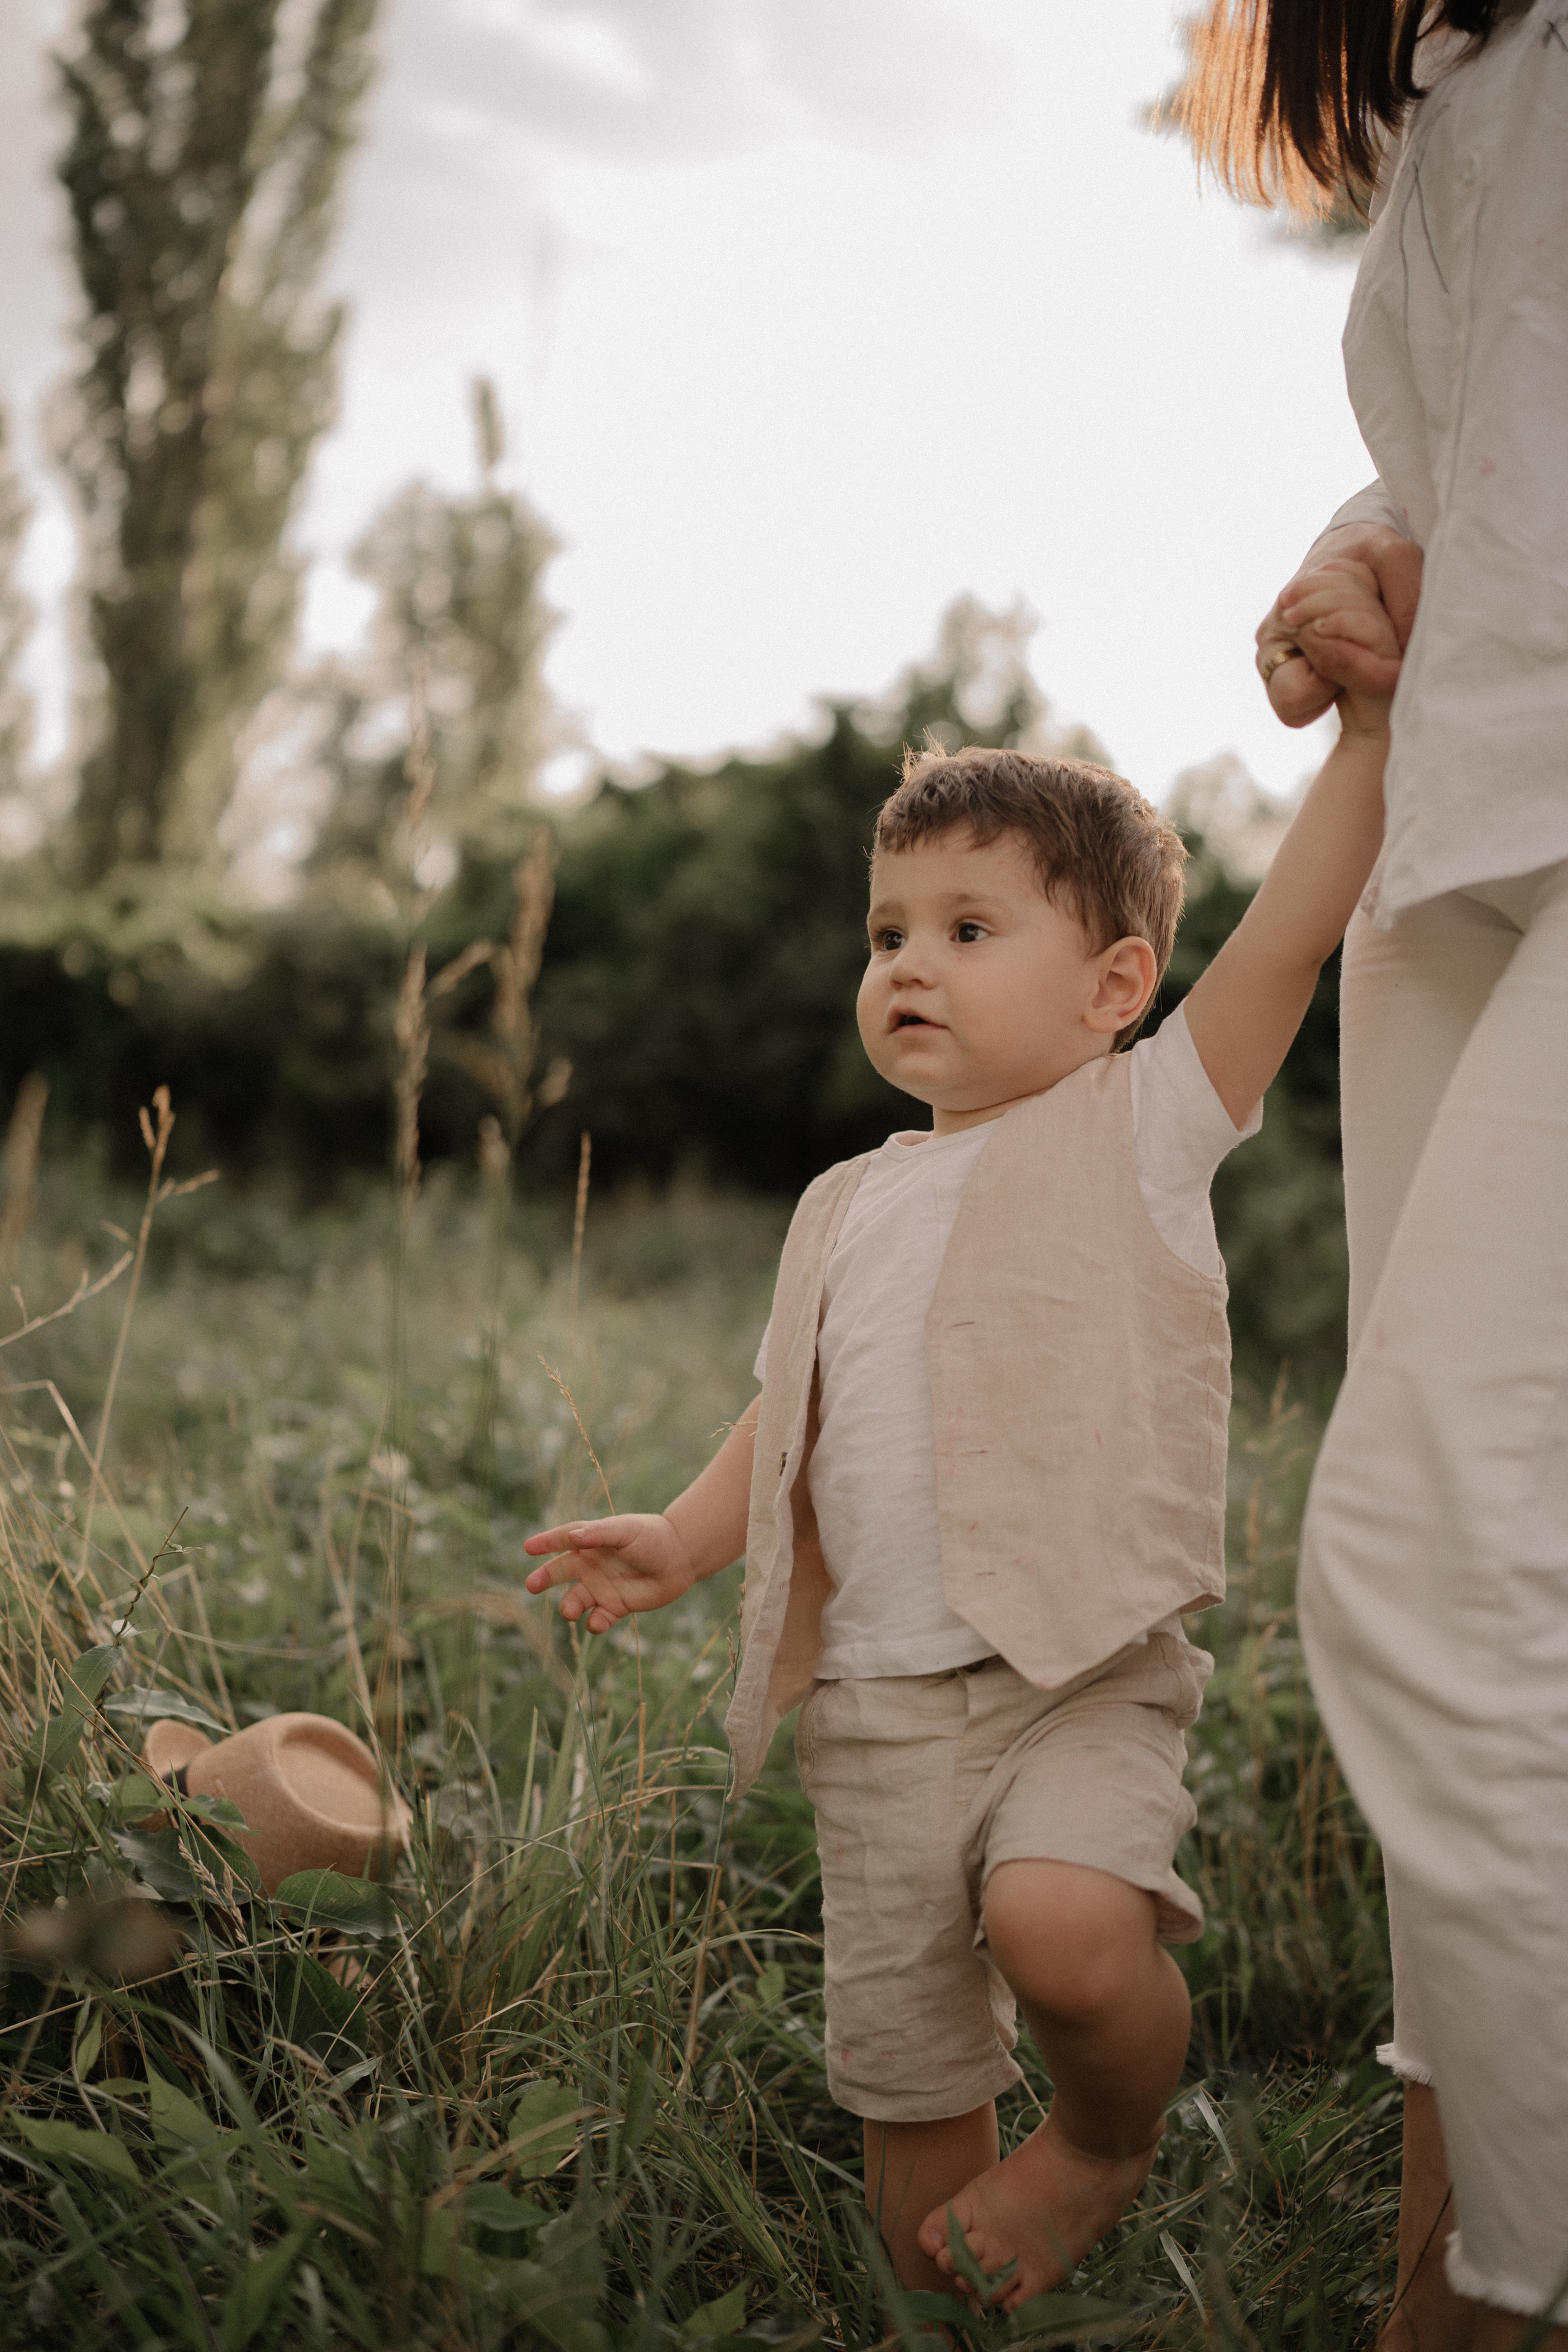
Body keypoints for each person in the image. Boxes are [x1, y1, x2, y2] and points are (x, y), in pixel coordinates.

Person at [523, 560, 1396, 2314]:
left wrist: (1371, 731)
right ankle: (951, 2321)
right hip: (878, 1709)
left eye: (968, 930)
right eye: (890, 933)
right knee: (913, 2100)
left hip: (1074, 1661)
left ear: (1113, 982)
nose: (911, 963)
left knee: (1068, 1934)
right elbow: (797, 1411)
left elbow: (1290, 934)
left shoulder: (1140, 1126)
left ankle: (1101, 2139)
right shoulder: (846, 1204)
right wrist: (684, 1543)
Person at [1185, 3, 1568, 2345]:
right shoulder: (1464, 70)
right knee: (1510, 1616)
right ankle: (1443, 2265)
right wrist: (1366, 552)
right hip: (1466, 851)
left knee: (1428, 1575)